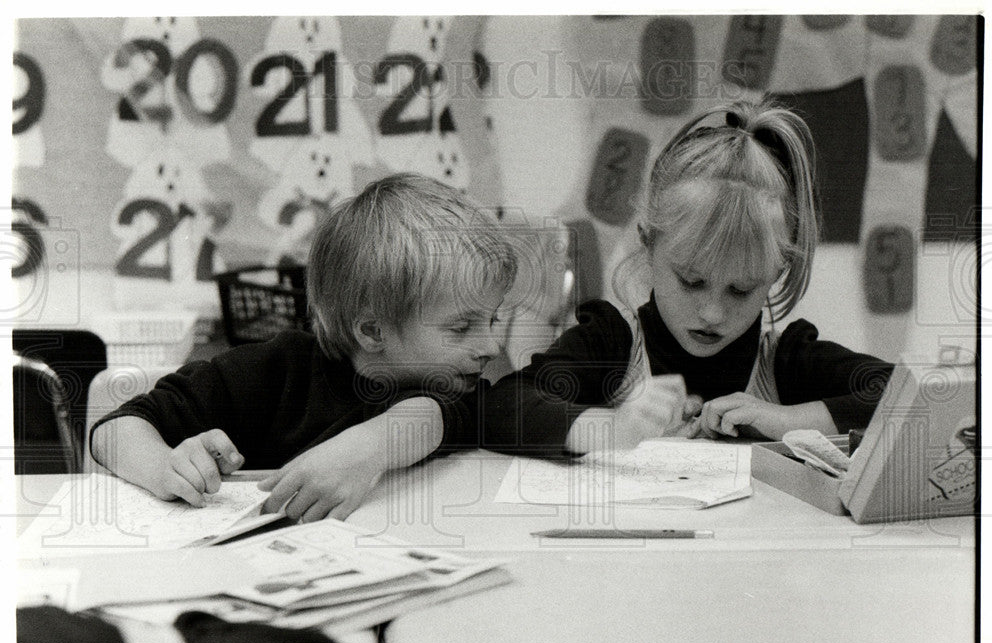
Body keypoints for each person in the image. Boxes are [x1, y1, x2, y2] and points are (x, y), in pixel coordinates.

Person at [91, 173, 516, 521]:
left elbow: (442, 415)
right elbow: (113, 431)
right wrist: (165, 468)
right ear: (372, 332)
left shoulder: (454, 388)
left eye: (494, 319)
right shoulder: (272, 371)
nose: (491, 345)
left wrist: (372, 445)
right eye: (461, 327)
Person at [484, 100, 893, 457]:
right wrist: (610, 428)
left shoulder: (784, 362)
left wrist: (785, 419)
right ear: (648, 244)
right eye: (691, 281)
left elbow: (904, 397)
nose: (713, 312)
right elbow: (501, 407)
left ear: (777, 273)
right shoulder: (612, 342)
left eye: (740, 289)